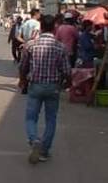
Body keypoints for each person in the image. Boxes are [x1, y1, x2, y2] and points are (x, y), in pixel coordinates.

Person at [19, 14, 71, 165]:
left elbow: (23, 66)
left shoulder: (31, 45)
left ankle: (34, 140)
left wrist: (22, 80)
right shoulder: (60, 47)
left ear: (41, 27)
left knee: (31, 117)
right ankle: (44, 151)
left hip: (35, 85)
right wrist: (68, 83)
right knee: (51, 119)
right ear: (54, 27)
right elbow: (66, 70)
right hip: (53, 87)